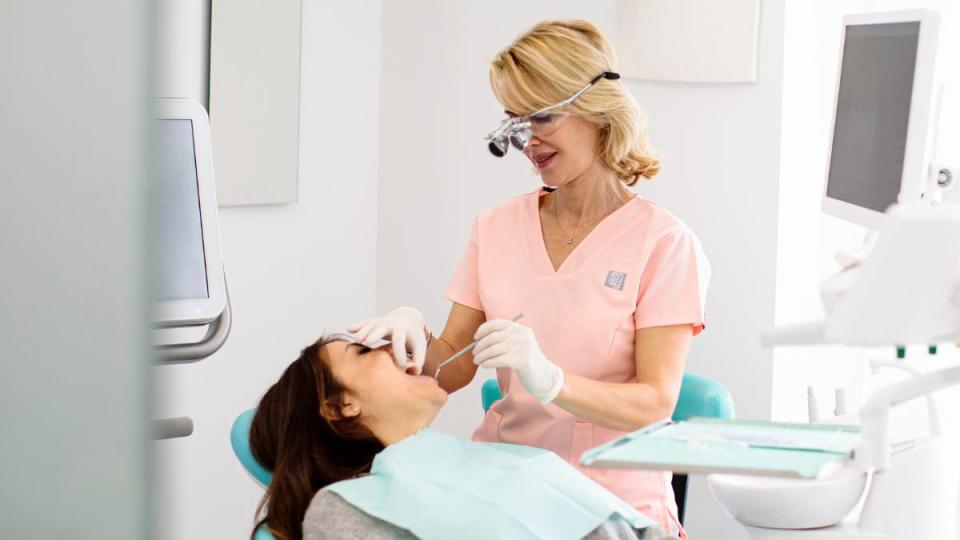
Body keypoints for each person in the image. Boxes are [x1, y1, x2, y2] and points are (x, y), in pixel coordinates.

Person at [348, 20, 710, 537]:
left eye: (541, 116)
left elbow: (654, 402)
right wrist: (406, 341)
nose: (526, 141)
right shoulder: (495, 228)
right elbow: (452, 364)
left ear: (597, 109)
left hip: (610, 503)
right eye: (515, 121)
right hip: (505, 484)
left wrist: (551, 379)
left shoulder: (664, 243)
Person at [248, 335, 678, 540]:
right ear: (340, 406)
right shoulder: (343, 509)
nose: (392, 349)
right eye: (364, 352)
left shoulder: (479, 460)